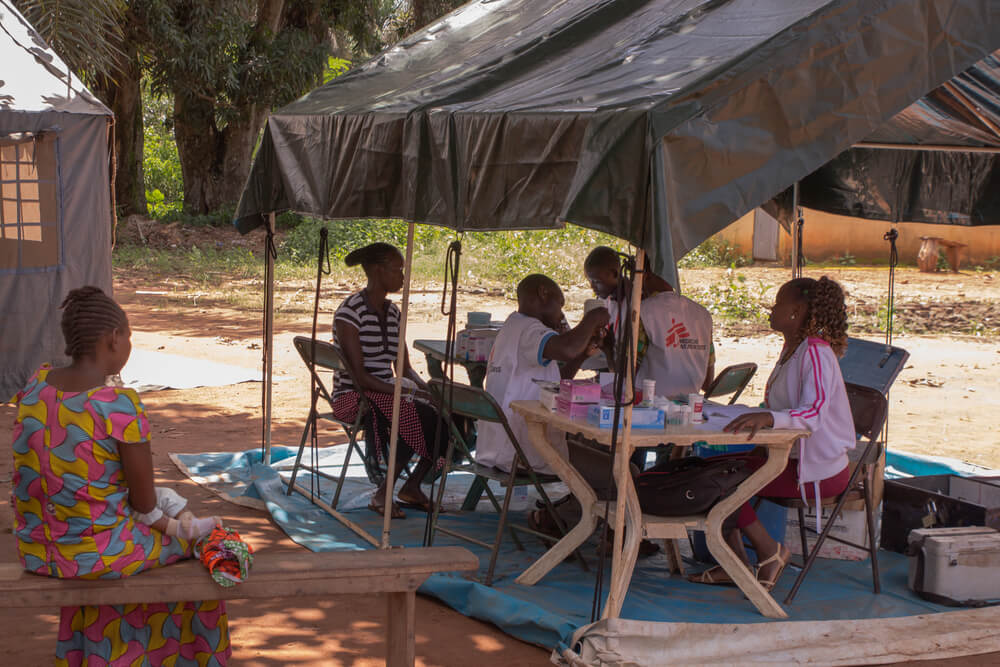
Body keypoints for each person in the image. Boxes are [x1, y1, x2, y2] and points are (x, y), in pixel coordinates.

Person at [11, 285, 231, 665]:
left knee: (140, 529)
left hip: (38, 550)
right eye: (128, 335)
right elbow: (145, 508)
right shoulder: (118, 405)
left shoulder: (35, 387)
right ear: (113, 339)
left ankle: (100, 653)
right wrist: (185, 528)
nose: (129, 343)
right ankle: (183, 657)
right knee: (209, 545)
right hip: (98, 555)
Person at [690, 275, 855, 591]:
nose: (772, 308)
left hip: (815, 470)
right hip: (786, 457)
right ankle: (736, 564)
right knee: (709, 471)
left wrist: (768, 417)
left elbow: (813, 414)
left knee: (720, 483)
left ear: (796, 311)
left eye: (779, 302)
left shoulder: (816, 353)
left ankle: (769, 551)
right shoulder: (793, 350)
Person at [333, 242, 445, 519]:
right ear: (376, 270)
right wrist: (406, 395)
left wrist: (426, 390)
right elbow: (359, 377)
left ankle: (412, 485)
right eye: (397, 270)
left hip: (384, 392)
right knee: (414, 414)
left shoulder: (393, 313)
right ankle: (384, 493)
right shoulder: (350, 313)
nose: (403, 278)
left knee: (444, 413)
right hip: (353, 396)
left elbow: (404, 369)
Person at [475, 273, 609, 478]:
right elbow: (567, 348)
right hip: (523, 450)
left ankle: (566, 508)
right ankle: (574, 509)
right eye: (560, 305)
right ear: (543, 293)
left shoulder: (512, 326)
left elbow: (556, 382)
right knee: (621, 474)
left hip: (498, 446)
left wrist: (582, 355)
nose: (560, 315)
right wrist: (593, 318)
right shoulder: (529, 329)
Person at [584, 246, 715, 399]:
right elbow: (707, 383)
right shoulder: (703, 315)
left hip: (650, 406)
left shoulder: (643, 312)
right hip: (690, 407)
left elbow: (625, 376)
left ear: (644, 276)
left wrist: (608, 350)